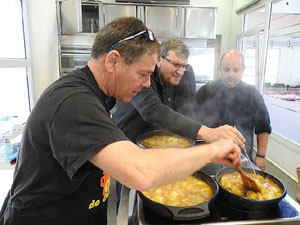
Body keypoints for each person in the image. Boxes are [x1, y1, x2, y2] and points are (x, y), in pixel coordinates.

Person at [0, 17, 242, 225]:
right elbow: (141, 172)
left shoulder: (98, 95)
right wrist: (212, 149)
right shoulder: (73, 101)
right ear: (113, 60)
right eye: (143, 74)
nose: (148, 83)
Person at [113, 39, 245, 145]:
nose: (181, 72)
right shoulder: (145, 73)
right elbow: (152, 110)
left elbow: (189, 110)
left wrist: (205, 139)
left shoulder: (186, 73)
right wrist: (206, 132)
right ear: (159, 60)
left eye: (184, 66)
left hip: (163, 143)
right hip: (130, 139)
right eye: (175, 64)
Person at [195, 50, 271, 171]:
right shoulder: (205, 91)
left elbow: (263, 127)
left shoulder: (252, 94)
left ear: (242, 70)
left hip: (242, 158)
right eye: (226, 69)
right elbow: (193, 123)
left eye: (236, 70)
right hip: (210, 157)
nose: (231, 74)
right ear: (220, 68)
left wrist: (260, 156)